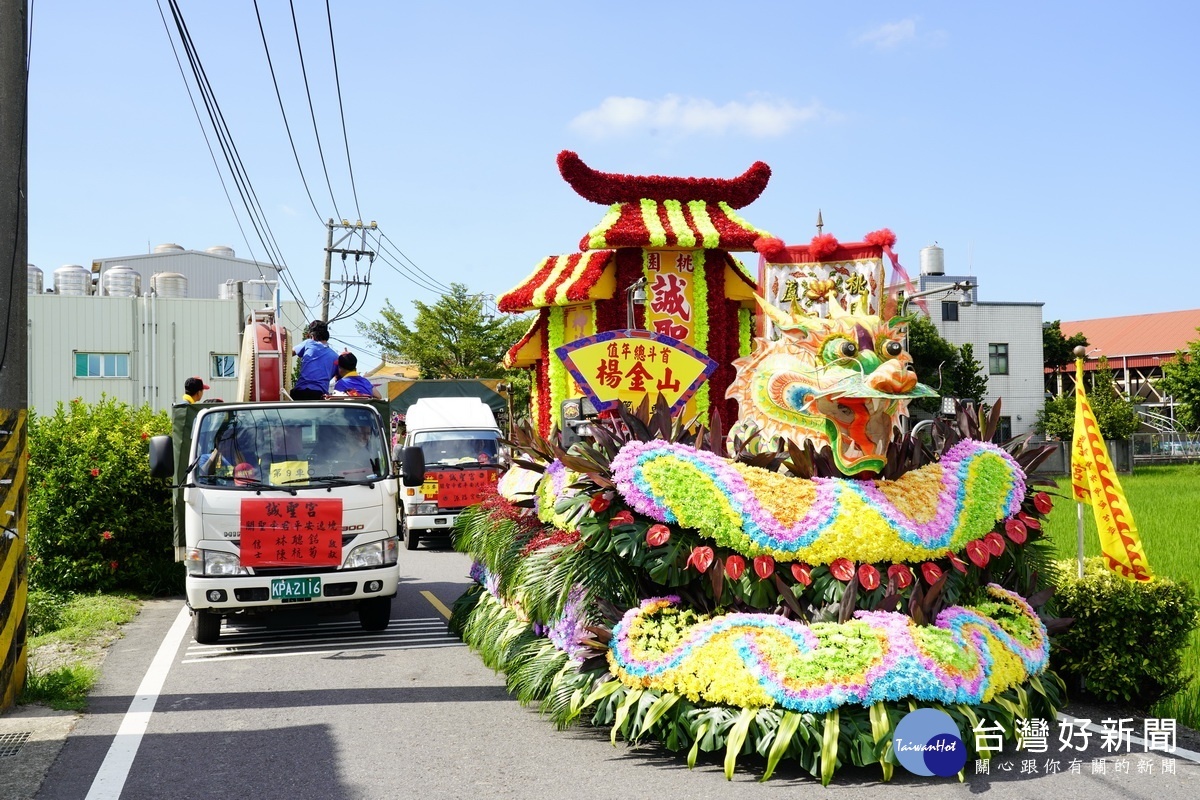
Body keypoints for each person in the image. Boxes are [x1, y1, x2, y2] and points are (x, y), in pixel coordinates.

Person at [291, 320, 338, 400]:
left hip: (300, 392)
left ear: (312, 336)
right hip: (320, 396)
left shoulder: (308, 343)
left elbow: (288, 353)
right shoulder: (335, 356)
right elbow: (338, 378)